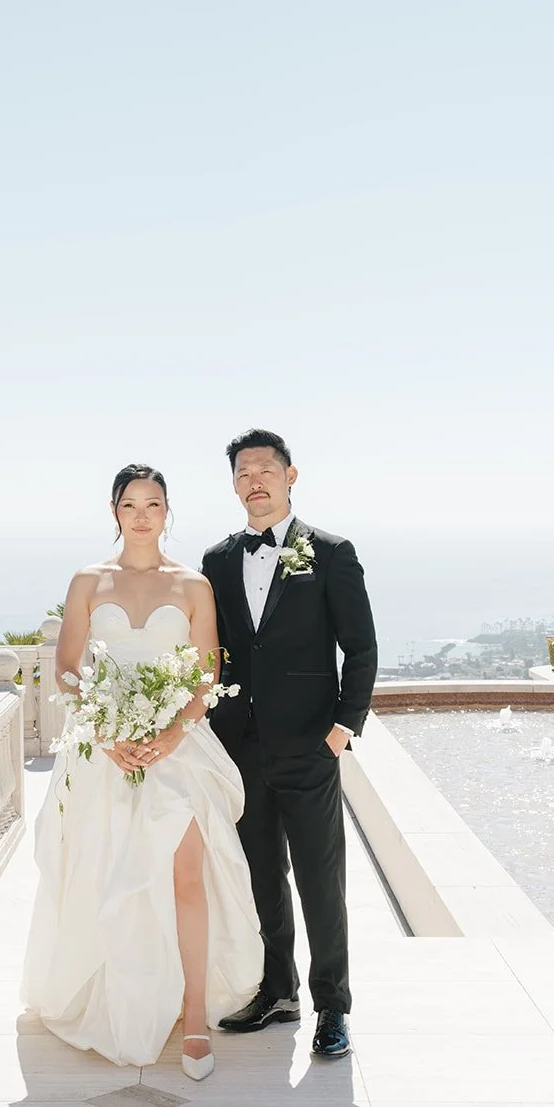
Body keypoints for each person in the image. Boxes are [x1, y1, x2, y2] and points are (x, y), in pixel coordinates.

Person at [21, 464, 262, 1079]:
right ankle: (123, 999)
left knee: (187, 875)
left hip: (178, 748)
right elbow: (66, 668)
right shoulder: (88, 580)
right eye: (130, 505)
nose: (142, 516)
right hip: (104, 750)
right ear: (115, 512)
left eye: (153, 504)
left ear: (167, 511)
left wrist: (173, 731)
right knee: (110, 876)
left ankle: (195, 1018)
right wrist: (105, 731)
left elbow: (206, 673)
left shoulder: (192, 585)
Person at [201, 430, 378, 1058]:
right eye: (243, 472)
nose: (255, 481)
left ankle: (333, 1008)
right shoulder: (218, 560)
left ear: (290, 476)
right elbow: (214, 652)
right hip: (240, 748)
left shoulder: (330, 552)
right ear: (234, 485)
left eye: (265, 470)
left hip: (311, 747)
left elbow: (361, 647)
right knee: (261, 878)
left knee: (320, 881)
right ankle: (278, 992)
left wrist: (342, 729)